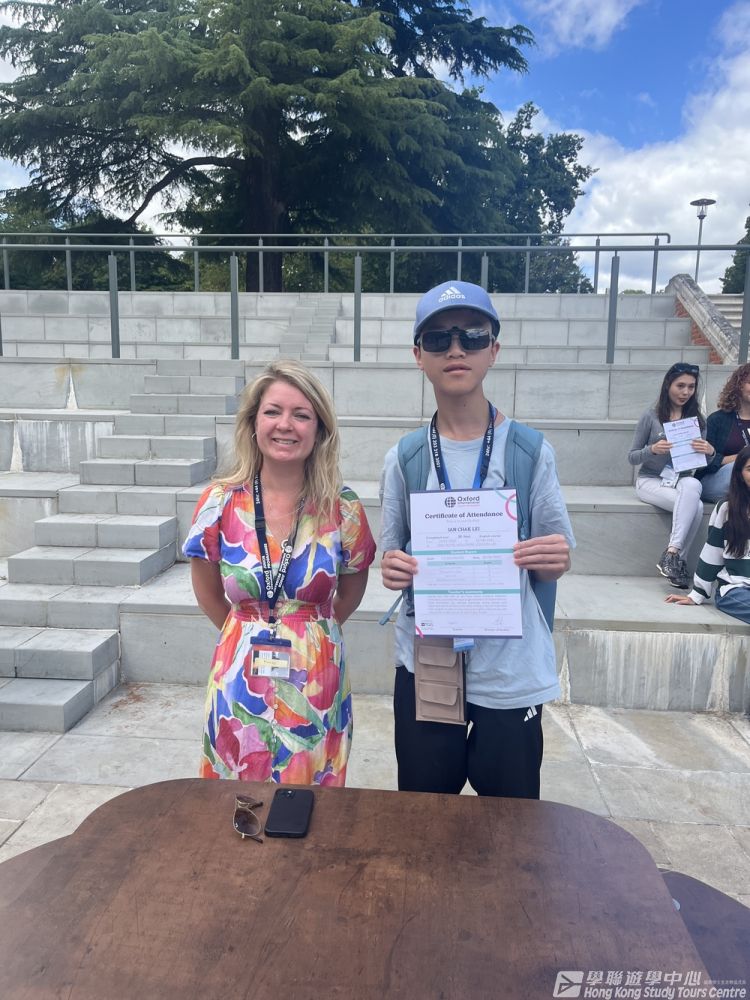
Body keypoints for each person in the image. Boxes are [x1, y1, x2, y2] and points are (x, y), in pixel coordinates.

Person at [379, 280, 574, 798]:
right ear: (419, 355)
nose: (456, 349)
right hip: (428, 665)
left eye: (471, 336)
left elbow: (555, 558)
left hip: (509, 672)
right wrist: (393, 568)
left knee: (510, 824)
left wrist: (554, 558)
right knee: (424, 818)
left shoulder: (531, 451)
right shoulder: (404, 457)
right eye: (438, 339)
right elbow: (391, 555)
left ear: (494, 349)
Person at [184, 359, 376, 785]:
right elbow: (208, 592)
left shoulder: (342, 507)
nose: (285, 425)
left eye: (301, 414)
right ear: (253, 423)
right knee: (237, 799)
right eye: (273, 411)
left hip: (315, 678)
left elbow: (352, 587)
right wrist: (252, 628)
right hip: (239, 674)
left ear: (319, 429)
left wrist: (307, 630)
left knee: (311, 797)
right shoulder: (219, 502)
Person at [628, 363, 713, 589]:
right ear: (668, 385)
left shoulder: (697, 420)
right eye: (680, 386)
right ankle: (678, 560)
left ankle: (671, 554)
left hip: (681, 480)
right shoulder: (651, 416)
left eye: (691, 387)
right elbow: (632, 457)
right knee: (695, 507)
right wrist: (652, 450)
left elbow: (702, 463)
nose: (686, 392)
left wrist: (709, 452)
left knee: (693, 484)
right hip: (650, 480)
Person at [666, 445, 750, 624]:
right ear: (739, 474)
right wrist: (697, 594)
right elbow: (712, 553)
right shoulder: (727, 509)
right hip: (736, 590)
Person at [696, 363, 750, 503]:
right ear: (738, 386)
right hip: (717, 480)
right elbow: (703, 461)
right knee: (736, 469)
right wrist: (740, 459)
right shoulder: (717, 420)